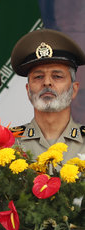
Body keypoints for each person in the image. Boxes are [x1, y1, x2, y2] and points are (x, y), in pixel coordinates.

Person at [10, 29, 85, 160]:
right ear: (28, 90)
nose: (47, 82)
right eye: (38, 77)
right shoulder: (7, 144)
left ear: (74, 89)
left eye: (57, 76)